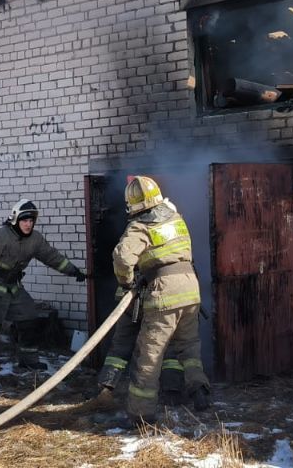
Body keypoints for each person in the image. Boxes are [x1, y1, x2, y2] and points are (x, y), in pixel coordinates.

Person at [112, 176, 210, 423]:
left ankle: (140, 414)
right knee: (189, 346)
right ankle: (199, 391)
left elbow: (123, 259)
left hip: (164, 293)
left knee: (150, 356)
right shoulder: (176, 218)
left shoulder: (140, 226)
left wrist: (126, 282)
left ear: (131, 203)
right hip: (190, 289)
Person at [0, 199, 86, 385]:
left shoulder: (35, 239)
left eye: (31, 221)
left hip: (14, 287)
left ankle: (28, 360)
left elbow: (51, 256)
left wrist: (72, 270)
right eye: (24, 220)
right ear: (15, 219)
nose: (28, 224)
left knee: (30, 317)